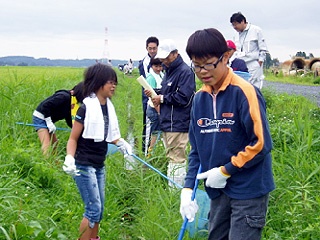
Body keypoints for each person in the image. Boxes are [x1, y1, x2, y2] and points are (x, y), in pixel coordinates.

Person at [179, 28, 275, 240]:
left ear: (225, 58)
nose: (203, 71)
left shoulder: (244, 91)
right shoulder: (199, 99)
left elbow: (260, 143)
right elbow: (196, 150)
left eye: (208, 64)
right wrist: (187, 189)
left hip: (248, 189)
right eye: (196, 65)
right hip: (218, 191)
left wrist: (225, 171)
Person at [63, 63, 133, 240]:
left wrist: (121, 142)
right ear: (98, 83)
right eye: (110, 82)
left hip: (99, 164)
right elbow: (73, 138)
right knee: (93, 209)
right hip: (84, 164)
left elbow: (109, 134)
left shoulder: (108, 107)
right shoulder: (86, 108)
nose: (114, 86)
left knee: (99, 209)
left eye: (115, 82)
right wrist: (69, 158)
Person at [145, 39, 196, 188]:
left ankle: (177, 192)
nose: (164, 61)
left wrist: (161, 98)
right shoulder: (169, 71)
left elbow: (184, 97)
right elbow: (169, 92)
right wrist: (155, 93)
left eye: (167, 57)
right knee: (172, 156)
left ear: (175, 54)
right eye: (162, 58)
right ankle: (174, 190)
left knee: (177, 157)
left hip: (178, 122)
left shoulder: (185, 72)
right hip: (167, 120)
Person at [32, 81, 84, 155]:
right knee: (46, 145)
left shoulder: (72, 102)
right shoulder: (64, 97)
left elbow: (69, 118)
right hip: (40, 118)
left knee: (54, 144)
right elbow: (45, 106)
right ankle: (45, 163)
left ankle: (54, 163)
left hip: (49, 120)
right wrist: (49, 122)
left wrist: (76, 130)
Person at [230, 12, 268, 89]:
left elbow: (263, 48)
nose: (234, 27)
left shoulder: (256, 30)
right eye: (233, 25)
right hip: (240, 65)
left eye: (236, 24)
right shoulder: (236, 34)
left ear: (243, 21)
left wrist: (260, 62)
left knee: (253, 88)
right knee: (240, 87)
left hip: (253, 63)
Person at [138, 36, 159, 155]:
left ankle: (155, 152)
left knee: (159, 126)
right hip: (147, 98)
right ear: (146, 48)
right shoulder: (143, 63)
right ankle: (145, 152)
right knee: (148, 124)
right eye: (150, 48)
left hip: (160, 98)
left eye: (154, 48)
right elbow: (145, 83)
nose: (152, 51)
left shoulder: (161, 59)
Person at [145, 57, 164, 157]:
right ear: (151, 66)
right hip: (154, 109)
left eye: (160, 66)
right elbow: (153, 97)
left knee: (159, 134)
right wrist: (159, 111)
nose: (158, 68)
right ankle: (149, 156)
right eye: (156, 66)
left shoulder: (161, 74)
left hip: (160, 108)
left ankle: (154, 155)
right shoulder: (151, 77)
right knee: (154, 134)